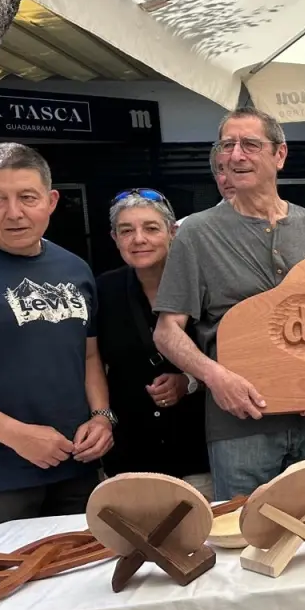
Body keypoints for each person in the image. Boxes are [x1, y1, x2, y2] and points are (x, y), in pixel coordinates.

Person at [153, 106, 305, 500]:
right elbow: (167, 331)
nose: (236, 155)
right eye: (227, 145)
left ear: (280, 154)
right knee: (244, 529)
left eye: (250, 145)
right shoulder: (196, 234)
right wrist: (215, 378)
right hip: (240, 427)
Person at [0, 143, 114, 544]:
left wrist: (102, 416)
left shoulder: (75, 268)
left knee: (83, 577)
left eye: (27, 197)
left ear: (51, 201)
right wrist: (15, 434)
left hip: (76, 470)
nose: (14, 212)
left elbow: (88, 355)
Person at [96, 189, 209, 494]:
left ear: (172, 232)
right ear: (114, 238)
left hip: (197, 452)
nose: (139, 239)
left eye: (151, 228)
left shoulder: (204, 285)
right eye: (126, 231)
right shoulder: (103, 291)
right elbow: (92, 363)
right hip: (131, 455)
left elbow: (229, 355)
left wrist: (189, 381)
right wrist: (100, 418)